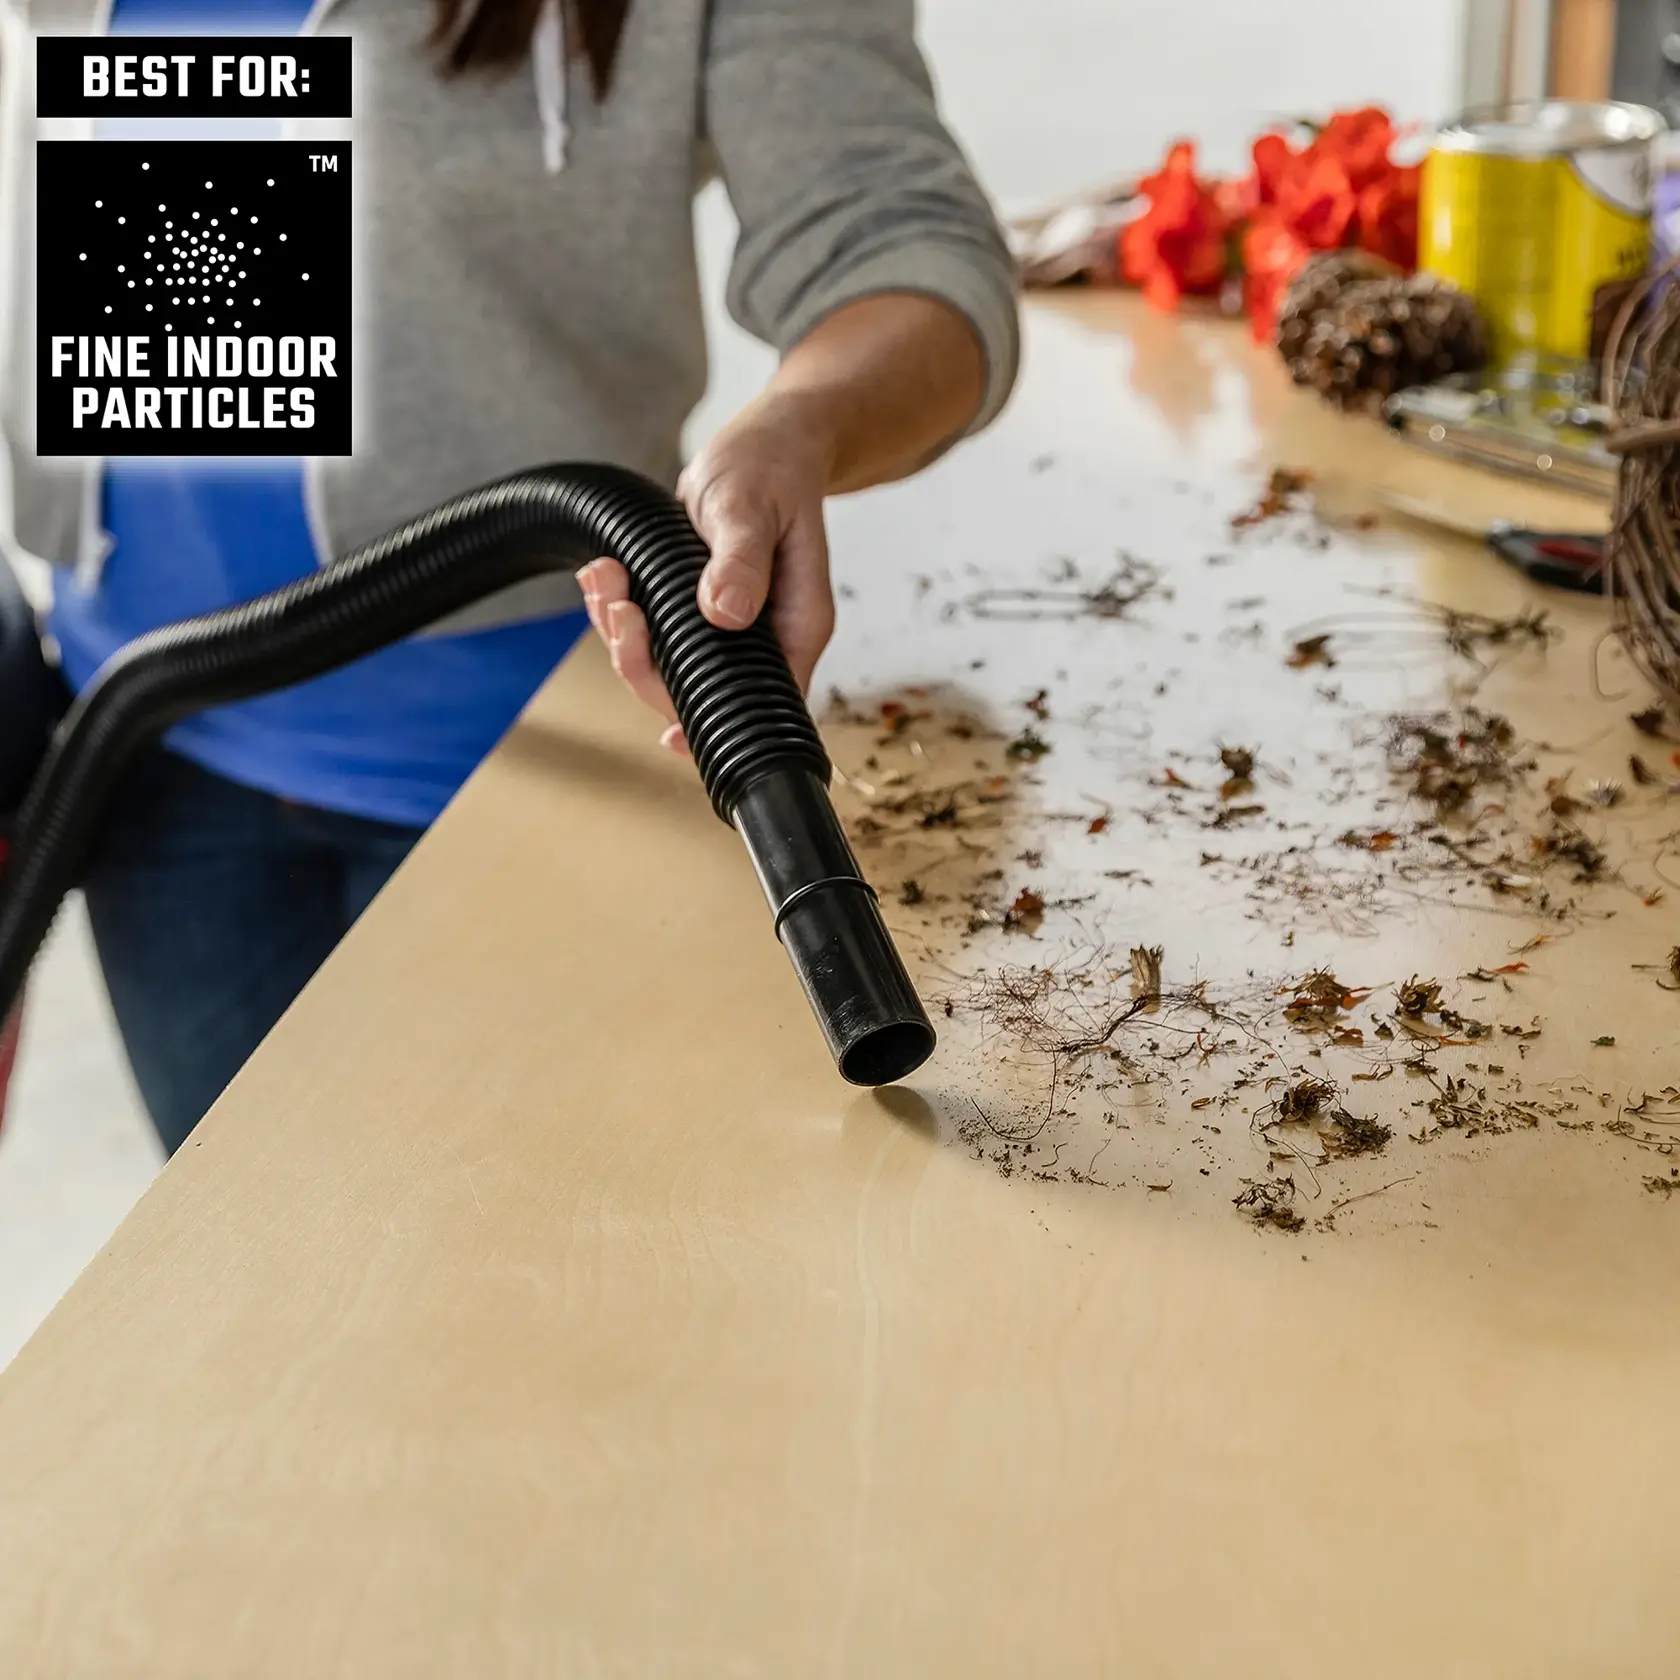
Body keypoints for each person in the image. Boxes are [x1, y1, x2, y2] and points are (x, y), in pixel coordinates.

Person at [0, 0, 1020, 1156]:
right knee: (257, 1280)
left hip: (532, 782)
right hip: (146, 760)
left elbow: (906, 247)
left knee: (536, 1290)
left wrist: (802, 424)